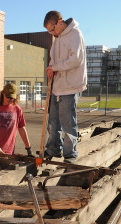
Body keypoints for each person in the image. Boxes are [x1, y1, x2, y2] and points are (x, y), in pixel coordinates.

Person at [43, 10, 87, 163]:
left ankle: (69, 154)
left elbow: (76, 59)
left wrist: (54, 68)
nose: (52, 33)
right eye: (49, 31)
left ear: (60, 22)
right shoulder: (58, 39)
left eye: (52, 29)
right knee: (53, 121)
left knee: (68, 122)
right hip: (57, 87)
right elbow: (54, 60)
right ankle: (53, 149)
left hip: (70, 86)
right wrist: (50, 68)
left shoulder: (75, 34)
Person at [0, 83, 33, 175]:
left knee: (5, 181)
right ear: (2, 93)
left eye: (12, 98)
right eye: (8, 97)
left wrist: (28, 148)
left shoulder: (17, 109)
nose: (10, 100)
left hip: (8, 153)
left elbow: (22, 128)